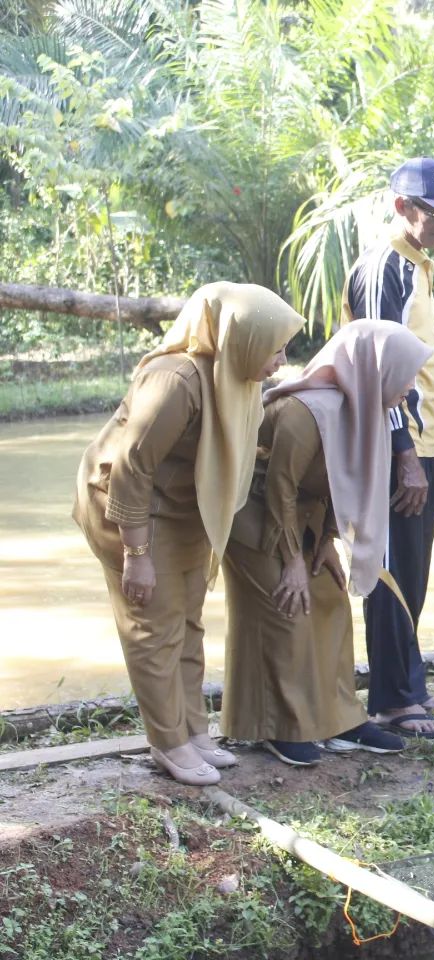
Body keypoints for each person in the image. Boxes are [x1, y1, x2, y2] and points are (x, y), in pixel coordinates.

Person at [73, 283, 303, 785]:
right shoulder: (175, 380)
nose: (280, 363)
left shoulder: (234, 376)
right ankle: (168, 742)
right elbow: (132, 467)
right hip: (131, 509)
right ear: (241, 339)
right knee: (153, 626)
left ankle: (194, 730)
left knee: (188, 621)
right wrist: (136, 553)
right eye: (274, 349)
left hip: (185, 508)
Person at [221, 321, 434, 765]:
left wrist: (327, 543)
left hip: (306, 518)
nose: (409, 388)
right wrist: (293, 559)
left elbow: (347, 483)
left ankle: (341, 719)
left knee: (332, 601)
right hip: (254, 514)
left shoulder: (363, 410)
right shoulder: (307, 410)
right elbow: (280, 486)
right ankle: (279, 726)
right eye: (404, 374)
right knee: (288, 604)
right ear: (377, 368)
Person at [342, 156, 434, 737]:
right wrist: (401, 454)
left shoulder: (417, 265)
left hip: (423, 442)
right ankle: (393, 697)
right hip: (392, 443)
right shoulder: (384, 268)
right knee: (392, 568)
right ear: (403, 207)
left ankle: (407, 683)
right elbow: (377, 365)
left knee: (415, 568)